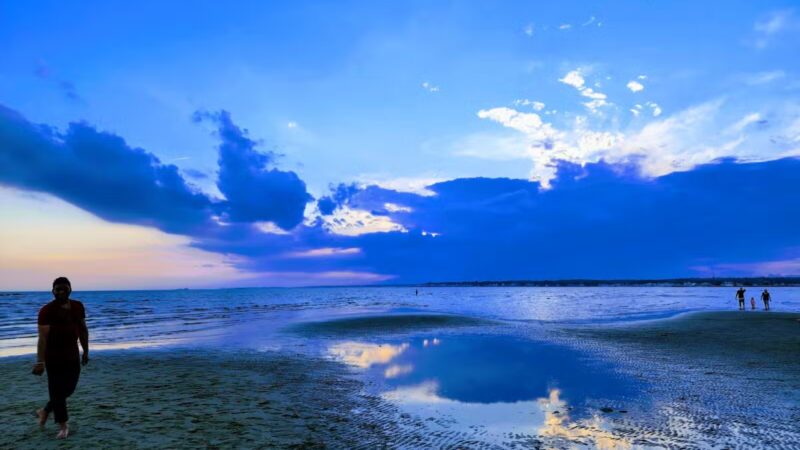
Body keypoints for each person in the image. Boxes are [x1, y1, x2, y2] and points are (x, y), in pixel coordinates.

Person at [31, 277, 89, 439]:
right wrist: (40, 361)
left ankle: (45, 411)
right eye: (58, 289)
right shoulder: (46, 311)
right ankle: (63, 426)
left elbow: (83, 329)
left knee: (68, 389)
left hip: (72, 354)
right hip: (53, 357)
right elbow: (42, 338)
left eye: (64, 288)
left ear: (70, 289)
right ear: (53, 291)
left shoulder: (77, 306)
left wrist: (86, 350)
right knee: (57, 391)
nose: (61, 291)